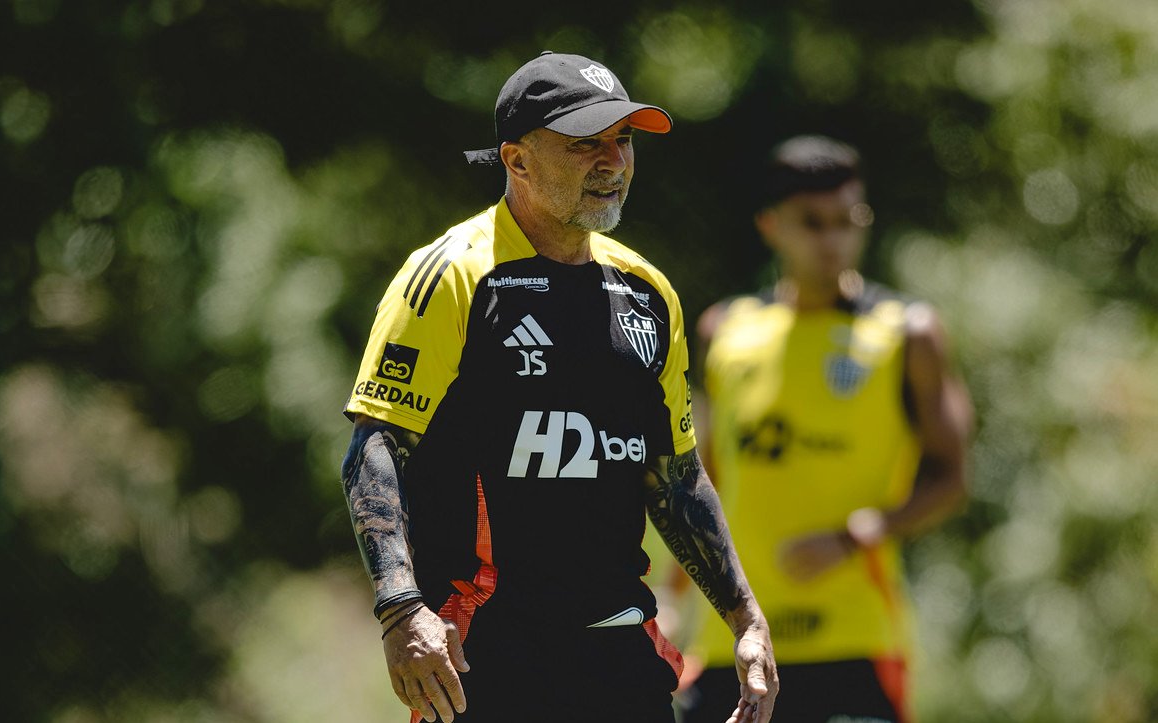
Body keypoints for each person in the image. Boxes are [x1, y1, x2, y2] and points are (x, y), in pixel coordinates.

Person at [339, 51, 779, 723]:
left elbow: (676, 474)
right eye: (584, 145)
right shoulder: (452, 275)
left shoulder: (648, 292)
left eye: (623, 140)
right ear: (516, 160)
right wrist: (401, 607)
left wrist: (745, 617)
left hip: (617, 648)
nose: (613, 161)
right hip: (484, 652)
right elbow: (375, 445)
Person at [676, 136, 972, 723]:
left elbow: (952, 477)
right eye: (812, 223)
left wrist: (854, 537)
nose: (831, 240)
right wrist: (674, 590)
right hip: (732, 637)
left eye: (847, 220)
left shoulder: (907, 334)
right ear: (770, 225)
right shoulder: (724, 330)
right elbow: (700, 477)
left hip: (855, 640)